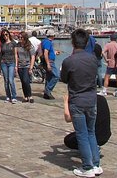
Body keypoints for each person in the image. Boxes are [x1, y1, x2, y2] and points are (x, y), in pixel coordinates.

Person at [60, 28, 102, 177]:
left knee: (82, 134)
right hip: (91, 99)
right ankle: (96, 164)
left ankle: (87, 166)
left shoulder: (69, 61)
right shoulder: (93, 59)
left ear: (73, 42)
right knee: (91, 132)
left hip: (77, 99)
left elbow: (64, 78)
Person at [0, 29, 18, 103]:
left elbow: (16, 54)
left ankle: (14, 96)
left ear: (9, 34)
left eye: (6, 34)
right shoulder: (2, 44)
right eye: (3, 35)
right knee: (6, 80)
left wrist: (16, 65)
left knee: (11, 80)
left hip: (11, 62)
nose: (5, 36)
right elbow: (0, 54)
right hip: (4, 62)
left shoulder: (13, 43)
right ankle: (8, 96)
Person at [16, 31, 35, 103]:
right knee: (22, 82)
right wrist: (16, 65)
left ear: (25, 38)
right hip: (20, 65)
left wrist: (31, 67)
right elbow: (16, 55)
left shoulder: (29, 45)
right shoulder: (18, 45)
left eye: (21, 37)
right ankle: (25, 96)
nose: (20, 39)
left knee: (26, 80)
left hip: (27, 65)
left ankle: (30, 95)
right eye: (19, 37)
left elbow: (32, 56)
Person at [42, 30, 59, 99]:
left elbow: (47, 52)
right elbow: (45, 53)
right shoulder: (47, 42)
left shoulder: (45, 41)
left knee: (49, 77)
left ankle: (46, 94)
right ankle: (47, 91)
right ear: (52, 36)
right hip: (49, 61)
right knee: (56, 76)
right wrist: (48, 64)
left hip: (48, 60)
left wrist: (54, 53)